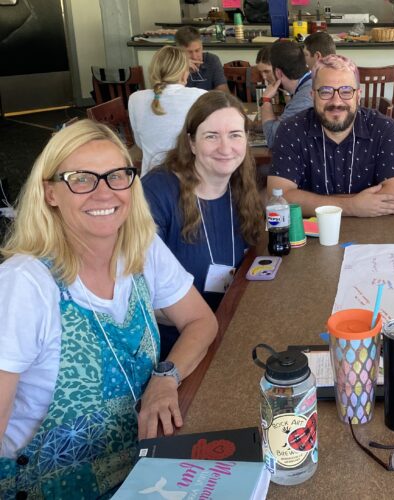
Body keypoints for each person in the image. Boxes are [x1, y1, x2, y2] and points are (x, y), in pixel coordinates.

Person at [0, 120, 217, 497]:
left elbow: (201, 321)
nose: (104, 193)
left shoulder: (141, 247)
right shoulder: (25, 283)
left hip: (144, 475)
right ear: (50, 192)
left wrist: (166, 377)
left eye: (117, 176)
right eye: (81, 179)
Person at [143, 91, 264, 358]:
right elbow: (139, 300)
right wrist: (202, 321)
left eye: (235, 135)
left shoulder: (240, 183)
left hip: (231, 328)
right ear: (192, 143)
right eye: (211, 136)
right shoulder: (157, 193)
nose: (225, 148)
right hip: (176, 347)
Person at [267, 54, 394, 217]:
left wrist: (309, 200)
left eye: (346, 91)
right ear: (312, 95)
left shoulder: (384, 129)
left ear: (358, 95)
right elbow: (279, 198)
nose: (336, 102)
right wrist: (351, 206)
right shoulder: (291, 130)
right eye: (325, 91)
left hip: (372, 232)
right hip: (310, 235)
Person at [128, 46, 206, 175]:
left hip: (149, 181)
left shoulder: (135, 98)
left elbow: (140, 144)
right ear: (183, 72)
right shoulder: (200, 95)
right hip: (190, 179)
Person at [260, 40, 314, 148]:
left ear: (278, 73)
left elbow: (273, 139)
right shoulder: (310, 82)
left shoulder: (304, 98)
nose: (264, 77)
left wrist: (265, 100)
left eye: (267, 72)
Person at [175, 26, 229, 93]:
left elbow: (224, 92)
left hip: (208, 103)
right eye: (189, 52)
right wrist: (183, 69)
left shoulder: (212, 60)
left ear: (202, 47)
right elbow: (167, 94)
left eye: (197, 50)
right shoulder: (172, 64)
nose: (194, 57)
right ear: (179, 51)